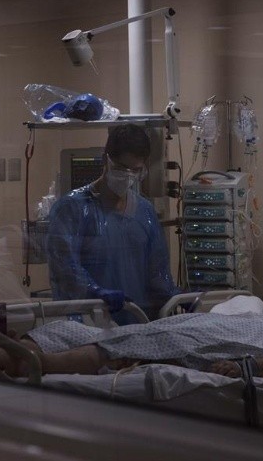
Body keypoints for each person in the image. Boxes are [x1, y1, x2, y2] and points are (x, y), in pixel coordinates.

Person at [0, 296, 263, 379]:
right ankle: (7, 351)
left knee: (121, 344)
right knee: (70, 329)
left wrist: (245, 368)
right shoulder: (257, 312)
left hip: (190, 346)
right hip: (183, 327)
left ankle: (32, 364)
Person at [46, 124, 182, 324]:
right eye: (120, 168)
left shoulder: (145, 212)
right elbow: (65, 268)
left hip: (140, 322)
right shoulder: (72, 209)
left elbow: (158, 273)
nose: (127, 175)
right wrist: (96, 292)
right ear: (105, 160)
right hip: (90, 325)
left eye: (135, 170)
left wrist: (177, 296)